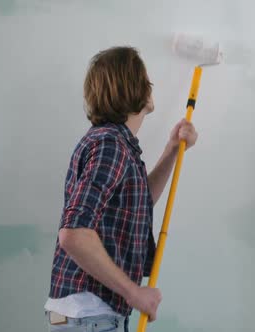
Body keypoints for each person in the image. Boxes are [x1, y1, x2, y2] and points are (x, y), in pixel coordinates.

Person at [44, 46, 198, 332]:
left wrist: (172, 150)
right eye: (146, 79)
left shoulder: (114, 145)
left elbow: (138, 204)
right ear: (134, 87)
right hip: (89, 317)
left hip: (86, 317)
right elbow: (74, 234)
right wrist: (133, 292)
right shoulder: (110, 146)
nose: (151, 86)